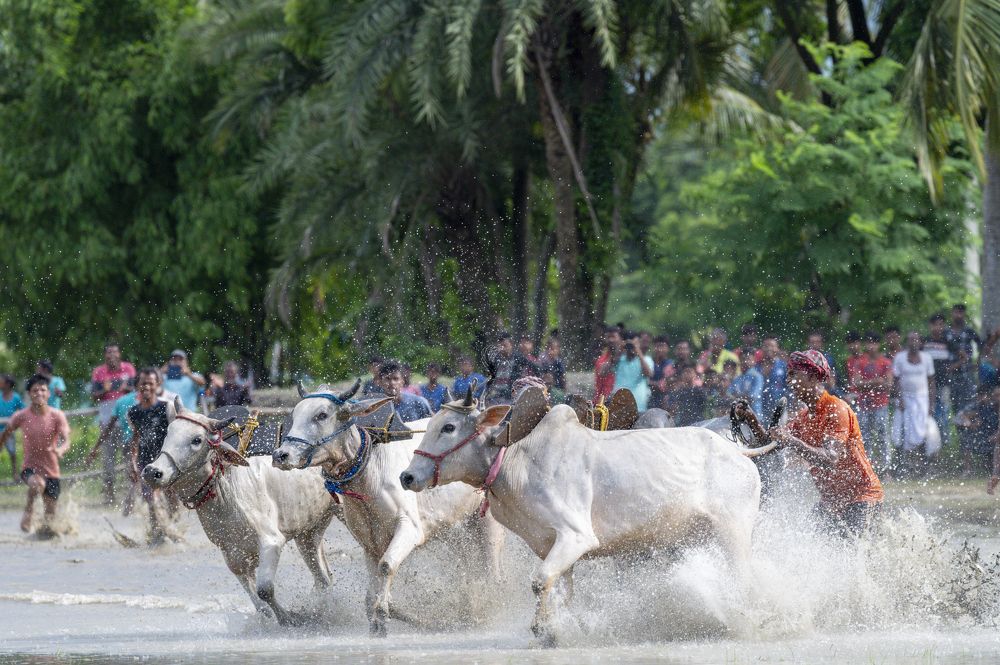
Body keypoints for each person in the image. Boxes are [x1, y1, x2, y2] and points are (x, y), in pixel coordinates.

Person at [742, 350, 883, 536]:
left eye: (793, 375)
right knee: (809, 542)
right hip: (831, 501)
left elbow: (831, 459)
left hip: (862, 497)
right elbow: (769, 446)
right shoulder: (803, 418)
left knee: (851, 550)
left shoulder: (837, 409)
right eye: (788, 375)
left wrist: (790, 440)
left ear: (812, 376)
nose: (789, 381)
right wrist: (751, 420)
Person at [0, 375, 71, 535]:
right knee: (37, 484)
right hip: (30, 468)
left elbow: (66, 440)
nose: (39, 393)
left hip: (52, 471)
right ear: (29, 394)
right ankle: (29, 509)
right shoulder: (21, 416)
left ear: (49, 393)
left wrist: (61, 450)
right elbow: (6, 432)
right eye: (35, 390)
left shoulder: (57, 415)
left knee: (50, 522)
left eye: (43, 390)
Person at [127, 368, 175, 544]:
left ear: (158, 385)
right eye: (143, 383)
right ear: (138, 386)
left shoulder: (166, 407)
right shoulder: (133, 412)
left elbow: (175, 434)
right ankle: (157, 534)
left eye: (150, 383)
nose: (146, 386)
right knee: (151, 498)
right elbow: (135, 438)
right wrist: (132, 462)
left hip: (166, 461)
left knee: (171, 498)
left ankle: (173, 528)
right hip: (145, 462)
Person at [91, 343, 136, 505]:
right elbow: (94, 396)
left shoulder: (128, 369)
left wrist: (125, 388)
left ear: (119, 354)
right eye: (109, 352)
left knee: (130, 458)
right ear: (105, 355)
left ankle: (131, 494)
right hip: (107, 420)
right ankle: (109, 496)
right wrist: (105, 390)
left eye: (115, 352)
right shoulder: (99, 372)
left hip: (127, 421)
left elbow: (136, 389)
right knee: (108, 460)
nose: (112, 355)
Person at [848, 332, 894, 474]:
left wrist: (866, 384)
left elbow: (888, 384)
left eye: (874, 343)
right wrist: (876, 381)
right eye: (869, 343)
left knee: (882, 437)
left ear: (879, 344)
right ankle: (865, 468)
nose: (871, 346)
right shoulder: (860, 362)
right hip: (863, 405)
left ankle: (886, 469)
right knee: (864, 437)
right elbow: (856, 383)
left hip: (881, 404)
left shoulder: (885, 362)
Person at [893, 331, 937, 476]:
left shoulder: (927, 358)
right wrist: (899, 399)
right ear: (907, 342)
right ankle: (907, 466)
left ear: (920, 342)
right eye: (911, 340)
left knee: (924, 432)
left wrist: (931, 405)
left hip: (922, 400)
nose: (913, 342)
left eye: (916, 339)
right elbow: (896, 381)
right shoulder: (900, 358)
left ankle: (924, 467)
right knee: (904, 432)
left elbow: (931, 382)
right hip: (905, 400)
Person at [924, 313, 953, 451]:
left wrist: (951, 367)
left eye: (941, 324)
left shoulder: (947, 342)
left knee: (943, 413)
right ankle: (929, 445)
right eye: (935, 324)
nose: (938, 327)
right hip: (926, 385)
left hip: (943, 384)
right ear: (930, 326)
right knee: (929, 412)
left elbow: (963, 356)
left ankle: (944, 444)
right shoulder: (925, 342)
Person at [612, 331, 653, 411]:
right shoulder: (619, 359)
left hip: (638, 405)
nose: (631, 347)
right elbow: (603, 371)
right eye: (629, 344)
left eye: (635, 343)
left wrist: (638, 351)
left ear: (639, 344)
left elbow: (648, 374)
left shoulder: (646, 359)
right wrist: (620, 349)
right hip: (619, 405)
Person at [0, 375, 25, 479]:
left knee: (12, 452)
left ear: (7, 384)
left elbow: (23, 410)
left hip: (9, 430)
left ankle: (15, 473)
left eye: (1, 381)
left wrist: (16, 421)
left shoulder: (16, 397)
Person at [758, 335, 787, 418]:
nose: (769, 348)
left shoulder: (784, 366)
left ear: (777, 349)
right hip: (761, 409)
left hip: (780, 408)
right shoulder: (757, 368)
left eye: (772, 346)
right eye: (766, 346)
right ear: (761, 348)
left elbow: (790, 388)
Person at [648, 335, 675, 411]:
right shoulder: (649, 362)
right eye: (657, 346)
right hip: (650, 399)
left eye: (662, 346)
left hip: (666, 401)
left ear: (668, 348)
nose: (659, 349)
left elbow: (664, 385)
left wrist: (650, 383)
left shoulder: (671, 364)